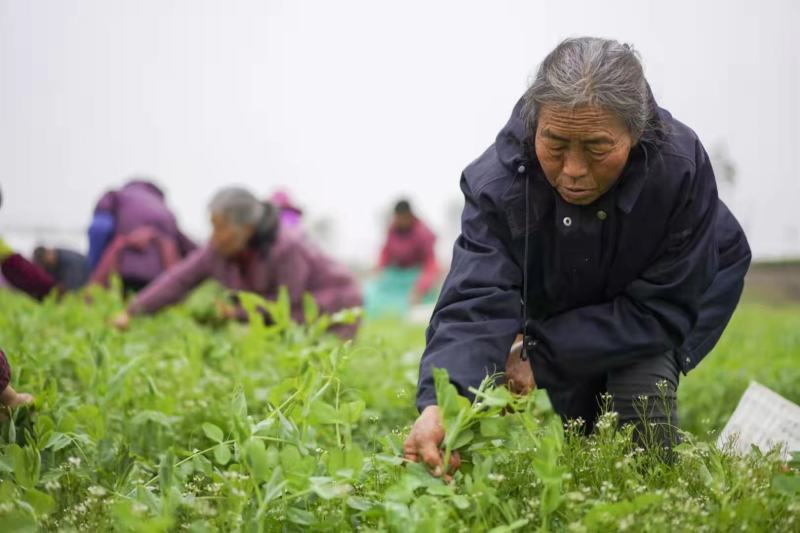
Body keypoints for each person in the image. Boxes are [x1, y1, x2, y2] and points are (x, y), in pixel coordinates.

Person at [404, 37, 751, 475]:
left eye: (596, 147)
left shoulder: (677, 170)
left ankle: (681, 483)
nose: (572, 169)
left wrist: (540, 356)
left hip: (684, 281)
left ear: (636, 132)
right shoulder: (500, 182)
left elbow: (660, 308)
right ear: (536, 127)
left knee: (636, 410)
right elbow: (478, 295)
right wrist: (443, 401)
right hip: (573, 286)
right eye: (555, 143)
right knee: (589, 434)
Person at [112, 187, 363, 337]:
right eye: (212, 226)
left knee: (320, 371)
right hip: (296, 313)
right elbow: (179, 279)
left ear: (247, 228)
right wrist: (132, 311)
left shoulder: (286, 248)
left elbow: (286, 306)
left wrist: (236, 313)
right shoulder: (217, 250)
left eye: (220, 227)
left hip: (334, 302)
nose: (214, 235)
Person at [87, 179, 196, 291]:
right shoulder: (167, 212)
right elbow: (192, 250)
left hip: (122, 273)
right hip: (158, 281)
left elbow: (99, 228)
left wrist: (93, 267)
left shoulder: (117, 196)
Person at [366, 200, 440, 317]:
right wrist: (378, 269)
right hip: (397, 276)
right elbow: (385, 253)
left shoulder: (423, 234)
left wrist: (420, 288)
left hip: (416, 277)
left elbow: (430, 265)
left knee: (419, 306)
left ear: (409, 216)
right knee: (371, 291)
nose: (399, 221)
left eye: (402, 218)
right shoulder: (392, 231)